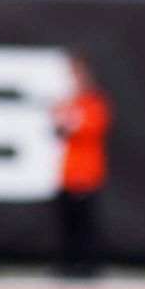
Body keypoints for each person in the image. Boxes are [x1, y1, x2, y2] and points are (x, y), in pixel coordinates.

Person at [52, 51, 112, 277]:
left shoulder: (93, 102)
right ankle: (70, 263)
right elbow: (58, 129)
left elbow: (84, 128)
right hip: (67, 173)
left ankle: (89, 265)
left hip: (85, 174)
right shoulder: (69, 102)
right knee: (68, 223)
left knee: (86, 224)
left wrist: (67, 118)